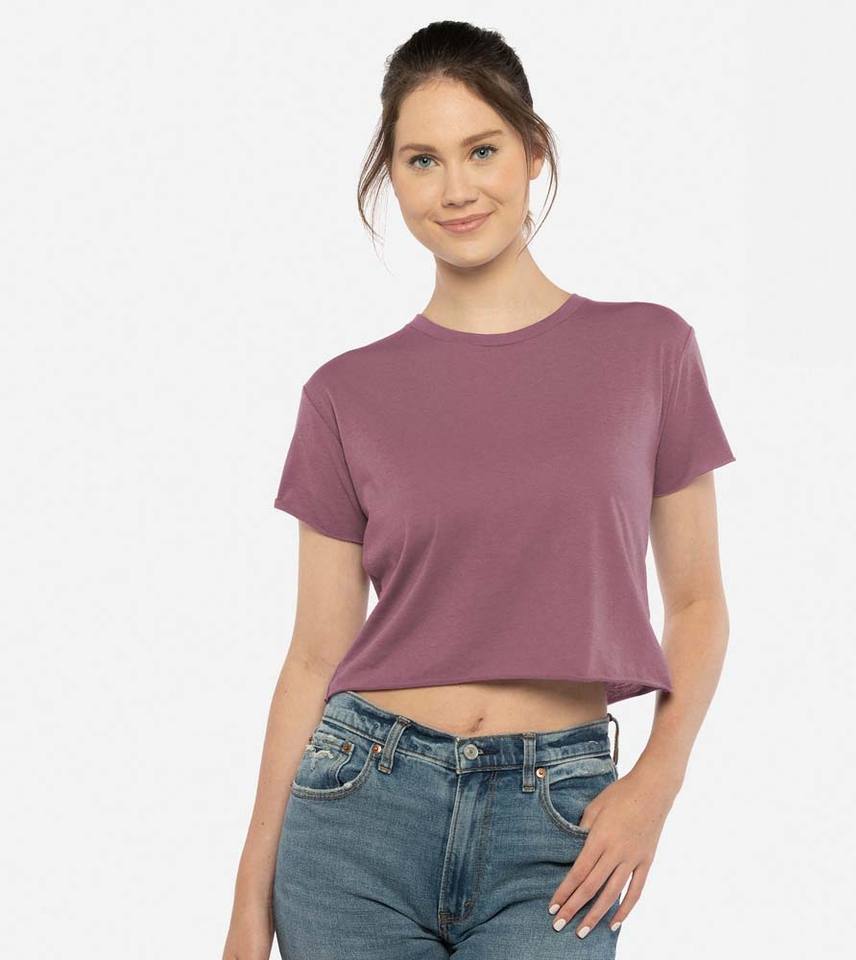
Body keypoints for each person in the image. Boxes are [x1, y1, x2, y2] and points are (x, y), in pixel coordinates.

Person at [223, 20, 736, 960]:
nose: (456, 188)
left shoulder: (650, 351)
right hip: (357, 813)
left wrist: (656, 784)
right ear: (392, 178)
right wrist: (247, 902)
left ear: (534, 151)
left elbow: (698, 602)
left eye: (483, 150)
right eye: (422, 160)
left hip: (560, 825)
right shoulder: (343, 394)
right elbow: (314, 654)